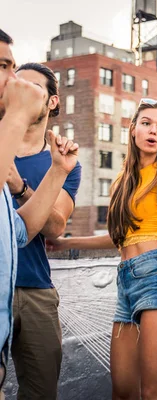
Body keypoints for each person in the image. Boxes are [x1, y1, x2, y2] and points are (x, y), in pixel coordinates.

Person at [46, 99, 157, 399]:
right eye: (147, 123)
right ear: (133, 129)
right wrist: (65, 242)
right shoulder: (121, 183)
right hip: (126, 281)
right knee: (123, 391)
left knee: (154, 392)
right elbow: (119, 237)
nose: (153, 131)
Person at [0, 29, 80, 399]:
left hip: (35, 288)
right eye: (13, 79)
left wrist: (24, 186)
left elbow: (51, 228)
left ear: (51, 102)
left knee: (41, 390)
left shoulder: (62, 159)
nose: (19, 90)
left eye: (31, 88)